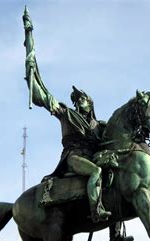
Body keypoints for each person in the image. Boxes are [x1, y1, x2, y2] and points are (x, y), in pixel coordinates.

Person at [23, 11, 110, 223]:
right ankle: (96, 211)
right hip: (73, 158)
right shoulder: (66, 114)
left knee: (118, 180)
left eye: (82, 98)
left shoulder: (100, 126)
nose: (78, 101)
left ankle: (116, 232)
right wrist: (30, 60)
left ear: (90, 103)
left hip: (91, 155)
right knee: (96, 172)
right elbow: (40, 95)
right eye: (76, 99)